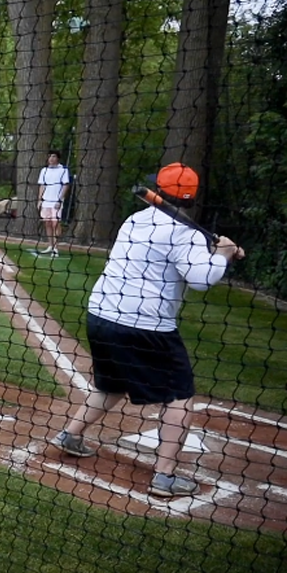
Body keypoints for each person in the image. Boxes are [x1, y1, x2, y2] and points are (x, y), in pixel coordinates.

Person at [50, 162, 244, 497]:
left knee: (112, 383)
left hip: (102, 315)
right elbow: (202, 279)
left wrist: (214, 252)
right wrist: (224, 254)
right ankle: (165, 476)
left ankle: (71, 434)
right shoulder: (186, 234)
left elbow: (179, 258)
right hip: (146, 325)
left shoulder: (136, 220)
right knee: (179, 394)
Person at [37, 151, 70, 256]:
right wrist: (40, 200)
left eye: (53, 156)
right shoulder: (44, 170)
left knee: (56, 224)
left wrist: (60, 200)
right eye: (49, 156)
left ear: (58, 158)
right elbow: (42, 185)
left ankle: (56, 248)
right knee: (47, 223)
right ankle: (50, 245)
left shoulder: (63, 170)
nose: (51, 158)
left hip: (56, 201)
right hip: (46, 201)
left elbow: (66, 185)